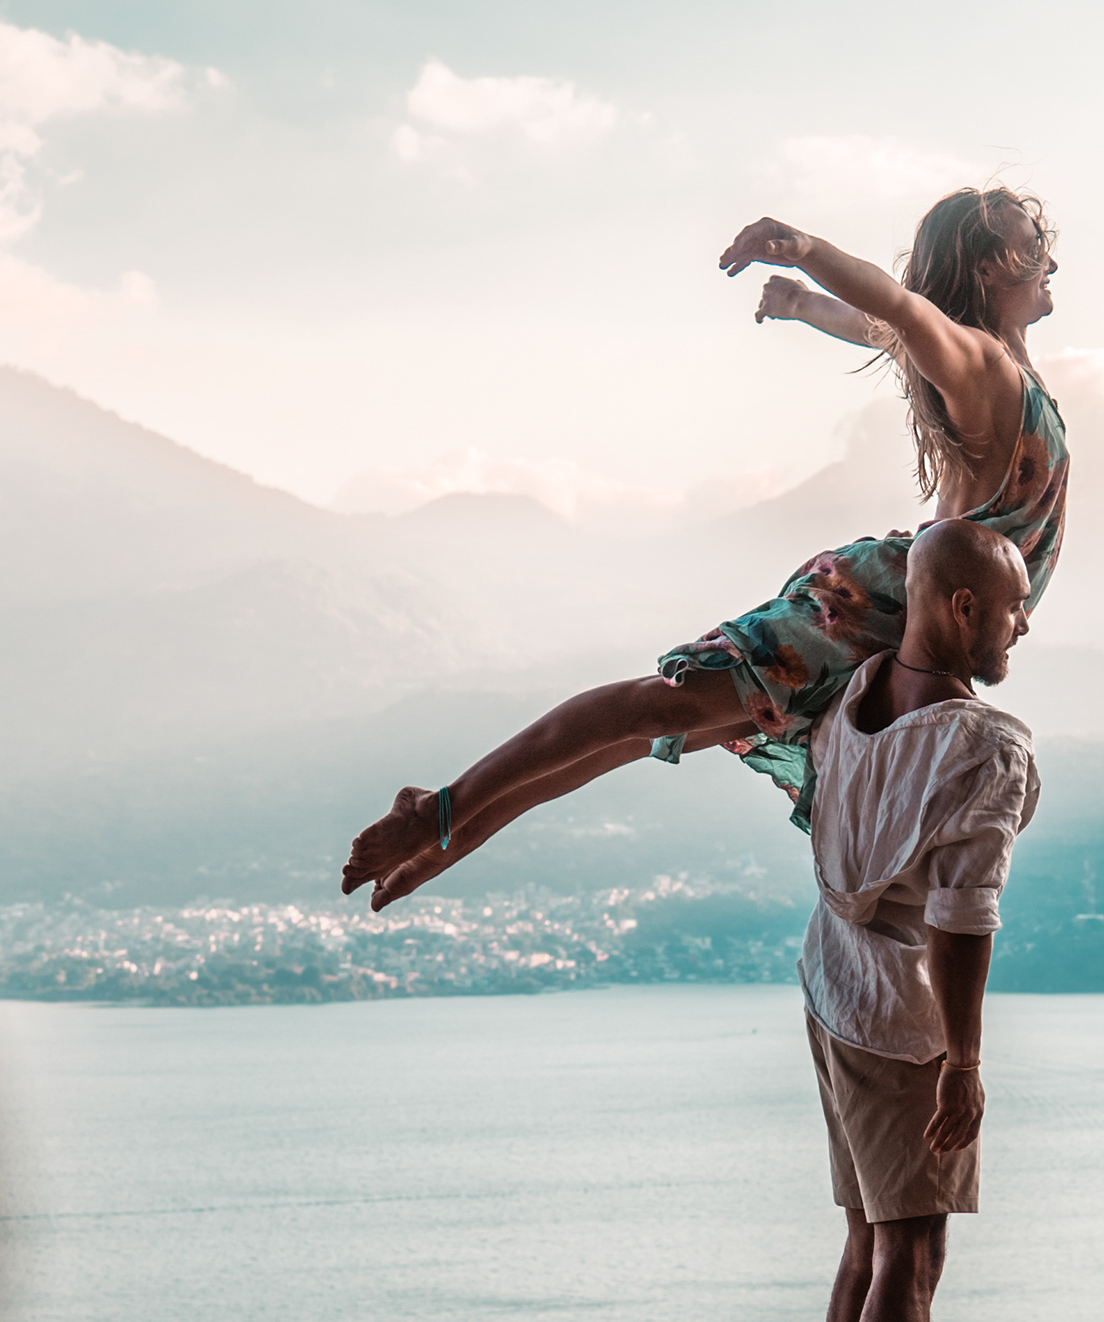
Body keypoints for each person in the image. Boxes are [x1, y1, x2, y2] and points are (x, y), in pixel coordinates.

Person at [337, 186, 1066, 908]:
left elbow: (887, 328)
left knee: (661, 725)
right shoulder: (987, 370)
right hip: (878, 611)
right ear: (986, 271)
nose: (1049, 265)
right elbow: (899, 312)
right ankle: (440, 811)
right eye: (1033, 251)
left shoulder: (985, 366)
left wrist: (806, 306)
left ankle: (446, 835)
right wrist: (810, 255)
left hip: (900, 618)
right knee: (652, 710)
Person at [802, 518, 1038, 1322]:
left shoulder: (850, 702)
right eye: (1012, 607)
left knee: (865, 1234)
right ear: (960, 609)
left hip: (829, 983)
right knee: (913, 1245)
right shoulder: (985, 745)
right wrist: (966, 1060)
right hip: (900, 1014)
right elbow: (962, 917)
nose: (1023, 625)